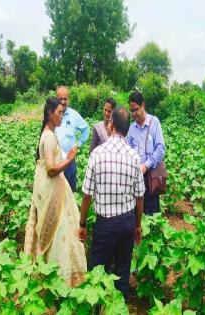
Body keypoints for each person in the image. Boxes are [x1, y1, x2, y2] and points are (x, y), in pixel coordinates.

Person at [78, 107, 145, 300]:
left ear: (112, 125)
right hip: (126, 223)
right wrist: (137, 225)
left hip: (105, 224)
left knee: (98, 272)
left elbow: (86, 195)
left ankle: (98, 308)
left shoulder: (97, 154)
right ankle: (119, 308)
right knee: (122, 272)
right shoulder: (133, 156)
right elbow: (139, 197)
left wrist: (82, 224)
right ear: (127, 129)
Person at [24, 96, 87, 287]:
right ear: (50, 114)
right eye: (59, 113)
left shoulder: (48, 133)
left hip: (53, 190)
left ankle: (56, 273)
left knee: (62, 231)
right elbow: (51, 170)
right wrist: (69, 159)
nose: (62, 116)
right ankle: (63, 276)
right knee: (61, 233)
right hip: (54, 192)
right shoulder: (50, 137)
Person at [128, 91, 166, 215]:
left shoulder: (154, 122)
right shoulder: (132, 128)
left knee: (151, 212)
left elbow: (160, 149)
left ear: (143, 105)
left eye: (136, 109)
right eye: (131, 111)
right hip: (135, 175)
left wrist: (146, 165)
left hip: (150, 176)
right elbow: (127, 149)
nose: (134, 114)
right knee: (135, 211)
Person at [54, 86, 89, 192]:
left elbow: (86, 129)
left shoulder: (73, 115)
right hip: (55, 160)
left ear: (68, 99)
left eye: (66, 99)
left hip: (69, 161)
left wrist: (77, 144)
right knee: (56, 193)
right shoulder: (53, 114)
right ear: (57, 99)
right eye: (61, 99)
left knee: (69, 192)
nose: (63, 102)